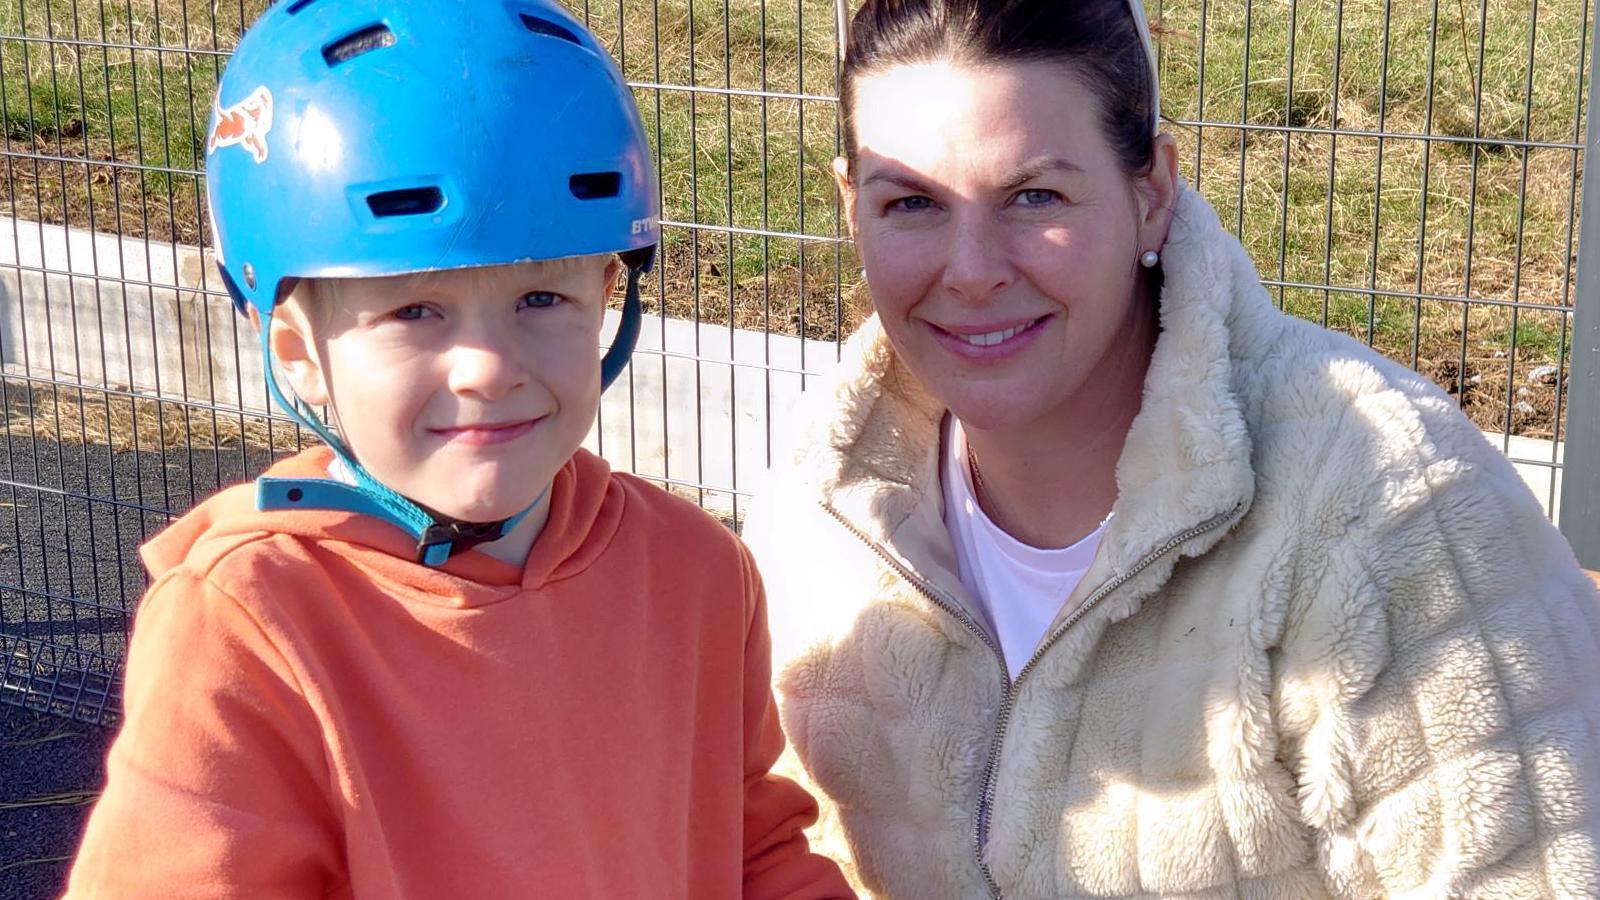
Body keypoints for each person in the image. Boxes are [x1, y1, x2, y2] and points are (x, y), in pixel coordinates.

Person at [741, 0, 1600, 895]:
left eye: (1035, 196)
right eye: (910, 202)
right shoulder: (819, 503)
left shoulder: (1388, 508)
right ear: (851, 205)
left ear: (1151, 194)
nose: (971, 269)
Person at [66, 2, 852, 896]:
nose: (487, 367)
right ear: (296, 350)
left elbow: (751, 850)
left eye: (542, 300)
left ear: (607, 298)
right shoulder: (250, 623)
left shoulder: (696, 572)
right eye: (414, 310)